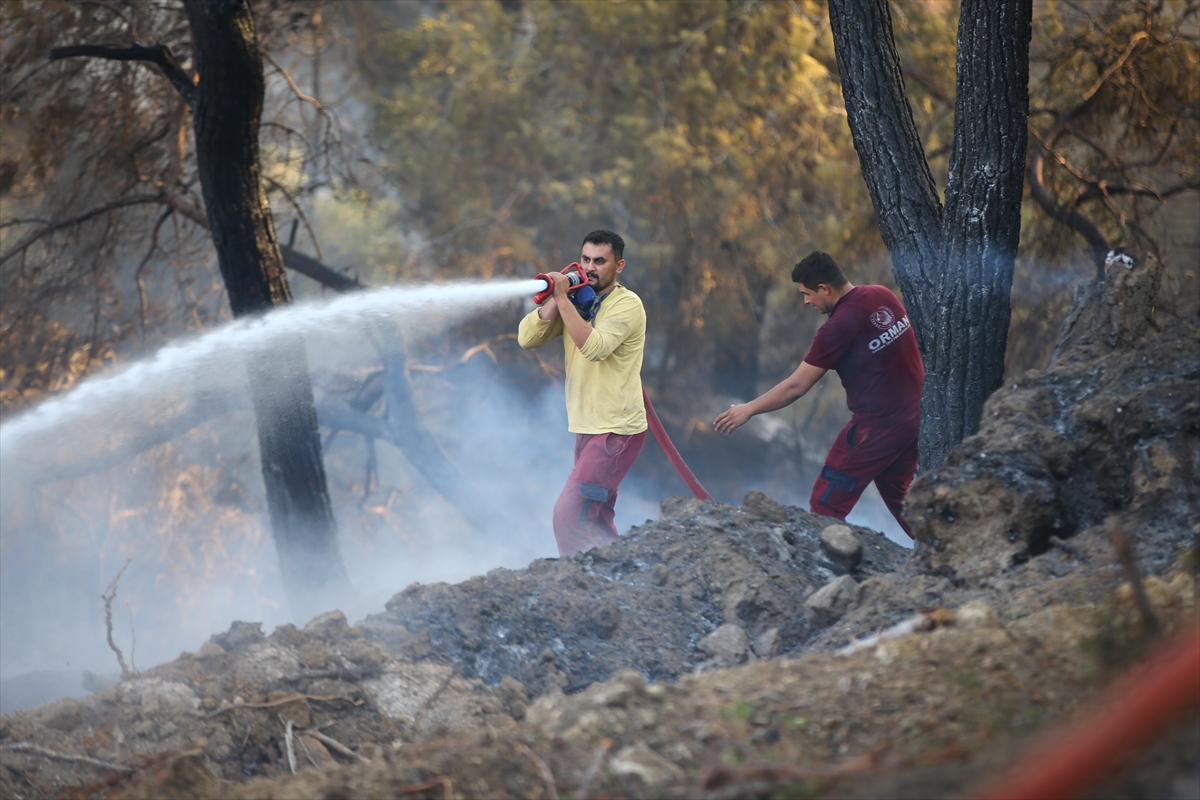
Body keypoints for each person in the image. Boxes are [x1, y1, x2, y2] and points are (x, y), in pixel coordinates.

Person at [713, 251, 924, 537]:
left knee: (825, 505)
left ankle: (829, 575)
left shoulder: (837, 328)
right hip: (916, 419)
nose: (806, 301)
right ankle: (945, 555)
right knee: (906, 502)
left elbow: (796, 386)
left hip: (876, 430)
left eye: (807, 294)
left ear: (824, 288)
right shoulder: (883, 295)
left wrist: (748, 409)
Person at [518, 230, 647, 556]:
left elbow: (595, 347)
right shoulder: (579, 300)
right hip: (587, 427)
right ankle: (626, 579)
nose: (590, 268)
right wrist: (556, 297)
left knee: (569, 515)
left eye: (599, 261)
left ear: (619, 266)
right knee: (596, 518)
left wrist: (563, 299)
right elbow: (527, 339)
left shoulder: (627, 305)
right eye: (586, 259)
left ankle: (578, 584)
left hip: (616, 431)